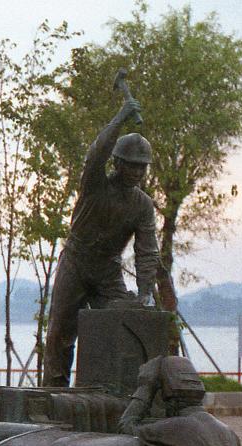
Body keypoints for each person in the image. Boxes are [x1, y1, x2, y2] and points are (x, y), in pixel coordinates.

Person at [42, 97, 163, 388]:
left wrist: (145, 291)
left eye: (142, 167)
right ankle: (53, 391)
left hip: (108, 270)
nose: (137, 172)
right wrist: (121, 116)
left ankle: (113, 390)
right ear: (117, 163)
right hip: (76, 261)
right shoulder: (95, 184)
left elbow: (147, 251)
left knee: (124, 323)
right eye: (131, 165)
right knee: (61, 330)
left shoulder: (143, 205)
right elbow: (95, 154)